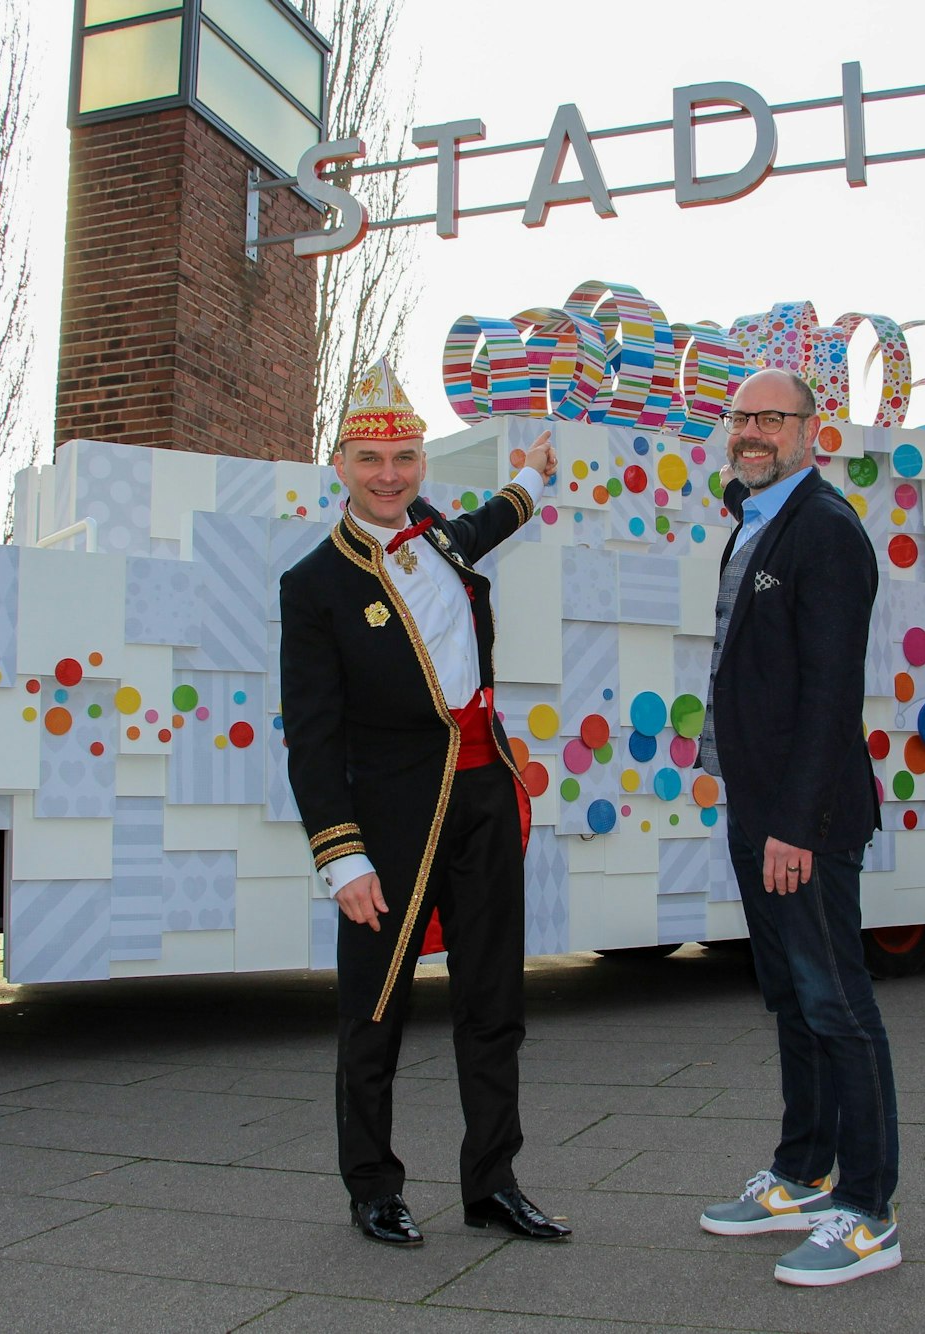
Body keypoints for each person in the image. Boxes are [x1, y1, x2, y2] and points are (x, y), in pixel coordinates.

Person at [279, 358, 569, 1249]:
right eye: (371, 459)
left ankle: (493, 1184)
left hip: (485, 797)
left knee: (495, 1002)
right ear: (339, 465)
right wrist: (341, 855)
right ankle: (372, 1187)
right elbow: (314, 736)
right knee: (376, 1009)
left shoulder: (441, 536)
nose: (390, 474)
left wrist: (530, 479)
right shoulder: (313, 585)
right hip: (393, 820)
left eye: (404, 456)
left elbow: (489, 523)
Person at [694, 367, 901, 1286]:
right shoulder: (754, 521)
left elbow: (828, 694)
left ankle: (866, 1212)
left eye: (772, 419)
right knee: (789, 999)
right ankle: (800, 1173)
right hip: (758, 807)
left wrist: (794, 824)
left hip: (801, 820)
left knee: (838, 1006)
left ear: (813, 431)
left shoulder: (825, 530)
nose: (752, 431)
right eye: (743, 416)